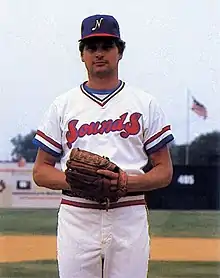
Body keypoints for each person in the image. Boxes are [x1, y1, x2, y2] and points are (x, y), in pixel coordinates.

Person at [32, 14, 174, 278]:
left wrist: (125, 181)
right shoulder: (63, 105)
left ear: (119, 52)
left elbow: (164, 171)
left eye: (106, 46)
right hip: (77, 214)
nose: (99, 53)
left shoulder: (144, 103)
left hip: (128, 213)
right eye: (91, 47)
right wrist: (79, 182)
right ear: (82, 54)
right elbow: (41, 171)